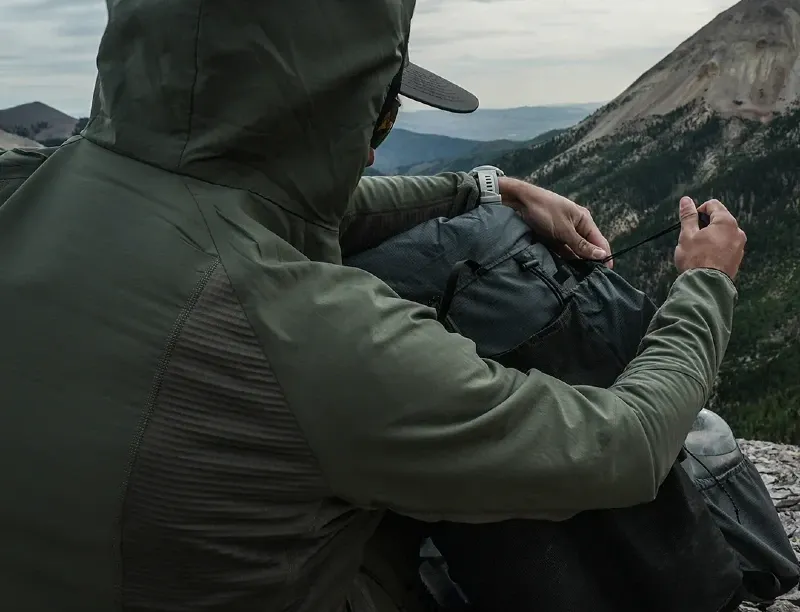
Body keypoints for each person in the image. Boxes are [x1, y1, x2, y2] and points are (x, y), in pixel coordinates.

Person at [0, 2, 746, 612]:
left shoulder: (35, 184)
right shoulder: (310, 336)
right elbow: (623, 448)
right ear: (344, 118)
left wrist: (490, 186)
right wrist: (703, 285)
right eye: (377, 114)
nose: (370, 149)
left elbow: (256, 201)